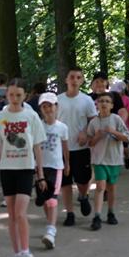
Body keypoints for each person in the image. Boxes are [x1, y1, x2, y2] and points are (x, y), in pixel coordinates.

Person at [0, 80, 46, 257]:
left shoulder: (31, 116)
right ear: (6, 95)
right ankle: (17, 254)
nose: (14, 98)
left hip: (26, 168)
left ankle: (27, 254)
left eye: (18, 95)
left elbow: (37, 146)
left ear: (25, 95)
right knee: (11, 215)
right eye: (11, 95)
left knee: (20, 213)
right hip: (7, 169)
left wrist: (41, 173)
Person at [56, 67, 97, 227]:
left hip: (81, 147)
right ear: (66, 80)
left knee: (83, 180)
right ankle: (70, 213)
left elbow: (93, 120)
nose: (75, 80)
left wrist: (85, 132)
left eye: (78, 77)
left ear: (82, 80)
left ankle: (83, 195)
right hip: (62, 149)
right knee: (65, 183)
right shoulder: (58, 100)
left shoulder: (86, 100)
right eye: (72, 77)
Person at [86, 93, 129, 230]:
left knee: (111, 188)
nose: (104, 103)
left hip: (114, 159)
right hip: (99, 160)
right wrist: (97, 136)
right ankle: (97, 216)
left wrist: (114, 132)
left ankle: (111, 212)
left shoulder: (116, 119)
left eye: (107, 101)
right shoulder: (93, 122)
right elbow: (90, 142)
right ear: (97, 105)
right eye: (101, 101)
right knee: (100, 187)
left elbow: (126, 137)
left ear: (111, 105)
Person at [36, 93, 69, 249]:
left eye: (50, 105)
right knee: (44, 199)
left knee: (52, 199)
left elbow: (65, 147)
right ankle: (50, 224)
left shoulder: (62, 127)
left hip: (56, 167)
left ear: (56, 107)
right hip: (40, 167)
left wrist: (67, 163)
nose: (48, 109)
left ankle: (51, 230)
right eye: (44, 106)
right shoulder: (37, 126)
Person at [111, 80, 129, 169]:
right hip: (113, 127)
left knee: (125, 147)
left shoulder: (127, 99)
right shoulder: (110, 99)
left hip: (124, 126)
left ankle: (127, 157)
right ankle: (116, 164)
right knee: (114, 146)